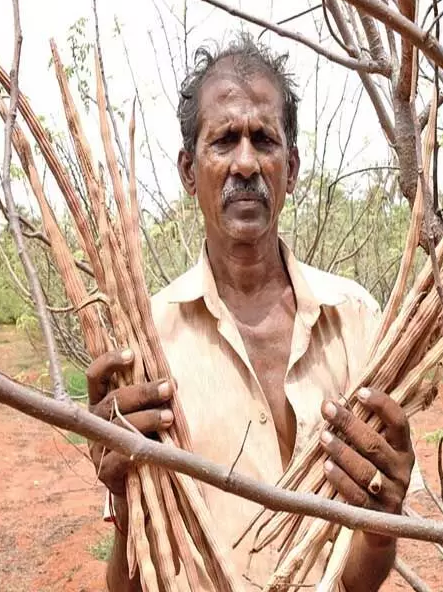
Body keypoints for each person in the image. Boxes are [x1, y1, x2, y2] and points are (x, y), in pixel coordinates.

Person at [84, 35, 415, 591]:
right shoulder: (144, 344)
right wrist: (123, 497)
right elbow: (131, 580)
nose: (245, 162)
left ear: (292, 166)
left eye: (264, 139)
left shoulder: (357, 320)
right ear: (190, 172)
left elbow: (367, 558)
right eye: (224, 141)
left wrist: (382, 527)